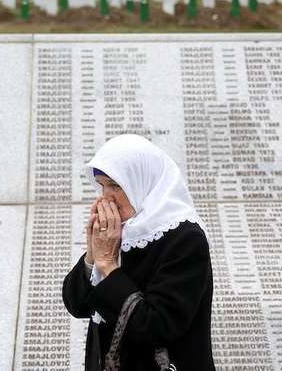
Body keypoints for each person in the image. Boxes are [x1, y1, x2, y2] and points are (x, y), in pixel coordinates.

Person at [62, 134, 215, 371]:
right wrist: (93, 254)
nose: (106, 197)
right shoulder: (124, 230)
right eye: (102, 185)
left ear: (141, 180)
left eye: (115, 185)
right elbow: (78, 305)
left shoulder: (186, 238)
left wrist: (109, 265)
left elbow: (158, 325)